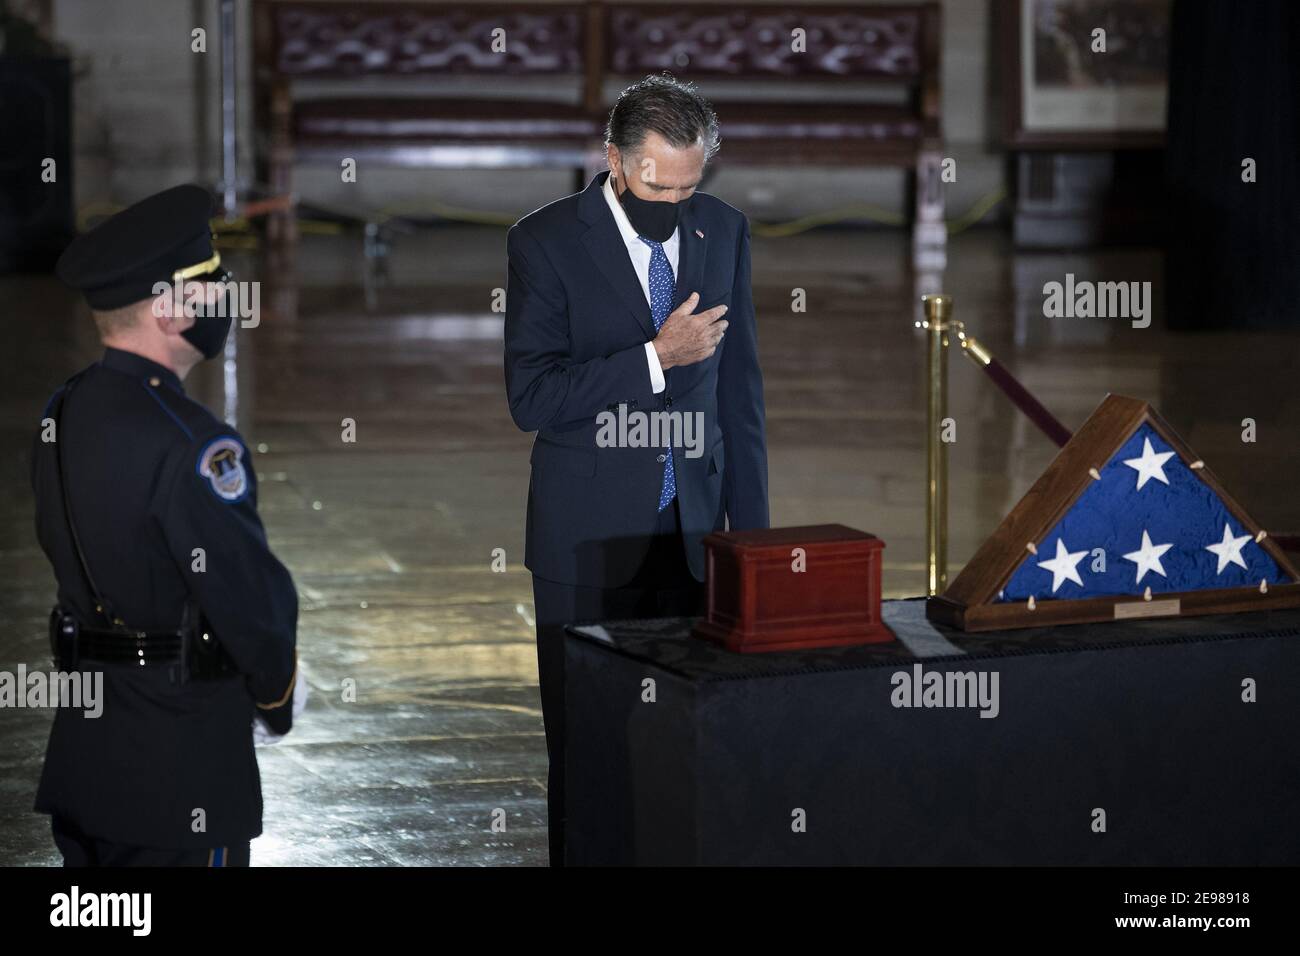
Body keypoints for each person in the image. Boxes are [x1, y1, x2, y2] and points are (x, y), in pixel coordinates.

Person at [504, 74, 769, 865]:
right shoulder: (545, 242)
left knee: (679, 743)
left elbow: (740, 396)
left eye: (689, 185)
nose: (674, 202)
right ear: (614, 161)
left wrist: (749, 544)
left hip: (689, 532)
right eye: (658, 184)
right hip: (585, 540)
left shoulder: (722, 231)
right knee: (589, 755)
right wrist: (654, 360)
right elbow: (532, 395)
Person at [32, 184, 301, 866]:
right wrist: (276, 697)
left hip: (88, 763)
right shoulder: (196, 446)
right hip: (181, 773)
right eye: (209, 280)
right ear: (170, 309)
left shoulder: (63, 412)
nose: (225, 295)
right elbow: (251, 606)